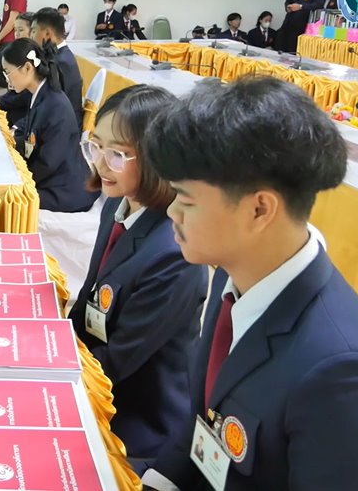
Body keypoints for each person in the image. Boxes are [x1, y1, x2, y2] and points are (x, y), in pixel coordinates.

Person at [140, 75, 358, 491]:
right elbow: (203, 423)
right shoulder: (234, 275)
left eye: (186, 200)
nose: (172, 211)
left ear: (259, 210)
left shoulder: (345, 373)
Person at [68, 84, 206, 469]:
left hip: (137, 421)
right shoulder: (116, 204)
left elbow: (117, 361)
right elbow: (88, 298)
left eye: (117, 153)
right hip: (97, 373)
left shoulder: (175, 252)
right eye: (96, 146)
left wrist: (52, 373)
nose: (101, 163)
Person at [1, 38, 97, 212]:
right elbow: (32, 138)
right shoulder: (41, 94)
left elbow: (48, 163)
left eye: (7, 72)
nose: (6, 78)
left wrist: (20, 178)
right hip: (52, 174)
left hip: (65, 188)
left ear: (27, 68)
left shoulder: (55, 105)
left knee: (7, 198)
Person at [31, 7, 84, 124]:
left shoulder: (60, 62)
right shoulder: (58, 54)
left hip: (63, 125)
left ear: (47, 34)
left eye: (34, 31)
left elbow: (53, 105)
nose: (31, 37)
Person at [0, 12, 36, 124]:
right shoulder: (18, 51)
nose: (17, 34)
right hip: (15, 100)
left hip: (25, 109)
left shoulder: (34, 56)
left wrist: (1, 103)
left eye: (21, 30)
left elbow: (26, 95)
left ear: (33, 32)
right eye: (15, 30)